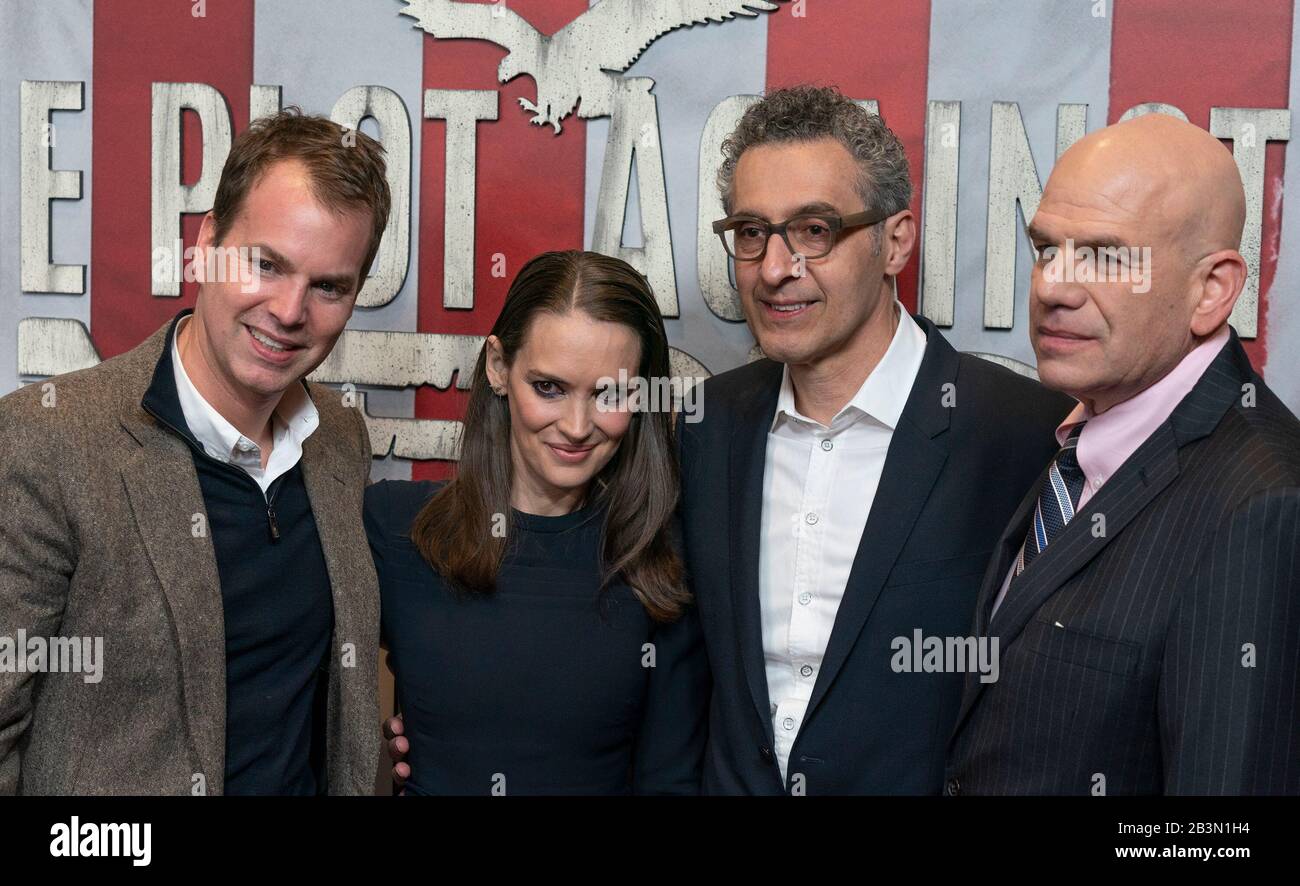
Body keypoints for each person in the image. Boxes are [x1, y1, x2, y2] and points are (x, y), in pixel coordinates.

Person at [0, 109, 389, 795]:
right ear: (208, 241)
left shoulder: (338, 440)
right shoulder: (46, 444)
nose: (291, 311)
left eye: (329, 285)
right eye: (265, 264)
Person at [946, 113, 1300, 795]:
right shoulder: (1082, 434)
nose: (1051, 286)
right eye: (1045, 247)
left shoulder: (1265, 507)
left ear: (1213, 290)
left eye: (1106, 256)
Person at [366, 250, 709, 795]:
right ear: (499, 367)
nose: (576, 426)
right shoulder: (393, 529)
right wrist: (373, 749)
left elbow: (670, 780)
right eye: (549, 387)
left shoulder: (661, 560)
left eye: (610, 393)